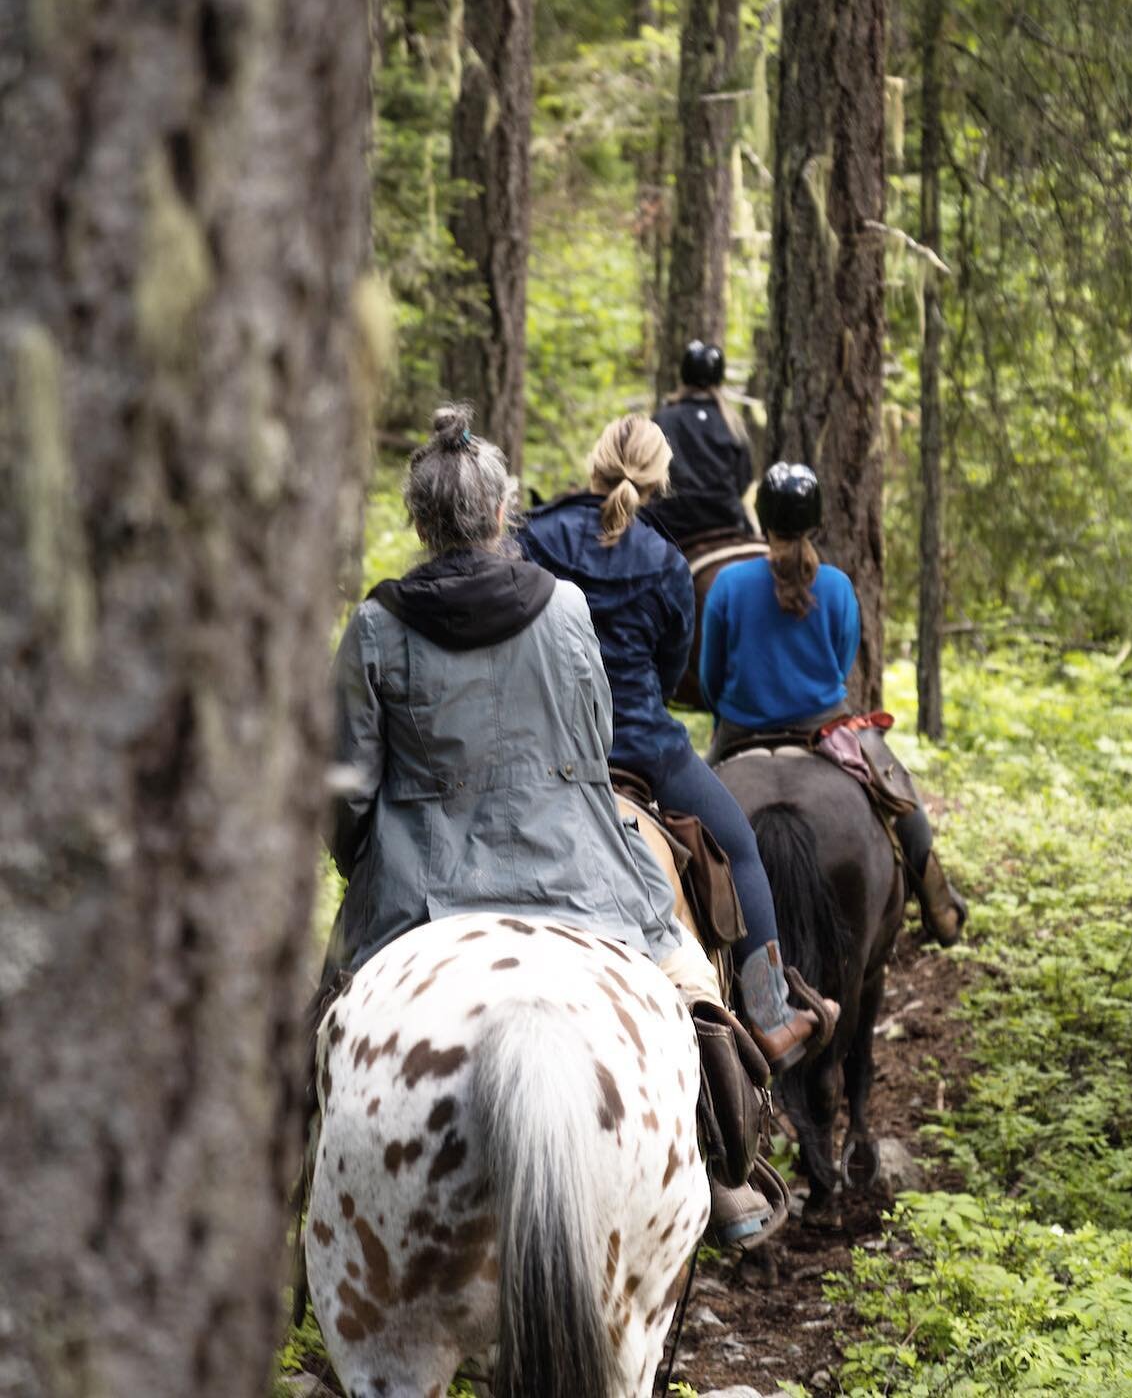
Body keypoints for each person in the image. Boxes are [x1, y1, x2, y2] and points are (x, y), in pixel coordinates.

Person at [327, 404, 776, 1244]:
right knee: (690, 984)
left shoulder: (375, 627)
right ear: (501, 513)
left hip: (419, 887)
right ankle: (725, 1169)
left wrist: (364, 859)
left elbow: (349, 788)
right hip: (575, 866)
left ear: (419, 521)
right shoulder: (565, 609)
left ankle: (302, 1195)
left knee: (327, 1018)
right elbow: (592, 738)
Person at [518, 414, 839, 1070]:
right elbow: (669, 673)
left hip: (549, 749)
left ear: (595, 463)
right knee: (743, 852)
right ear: (660, 481)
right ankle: (772, 1015)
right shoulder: (666, 561)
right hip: (644, 750)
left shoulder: (536, 535)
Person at [700, 461, 967, 947]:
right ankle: (940, 905)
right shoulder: (839, 587)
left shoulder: (728, 586)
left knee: (680, 812)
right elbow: (843, 663)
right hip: (825, 729)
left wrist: (733, 710)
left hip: (739, 731)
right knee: (899, 792)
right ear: (817, 523)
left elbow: (709, 675)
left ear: (761, 521)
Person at [645, 340, 755, 545]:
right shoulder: (732, 422)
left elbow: (648, 475)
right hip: (727, 518)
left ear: (684, 375)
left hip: (673, 522)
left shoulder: (663, 418)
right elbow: (744, 477)